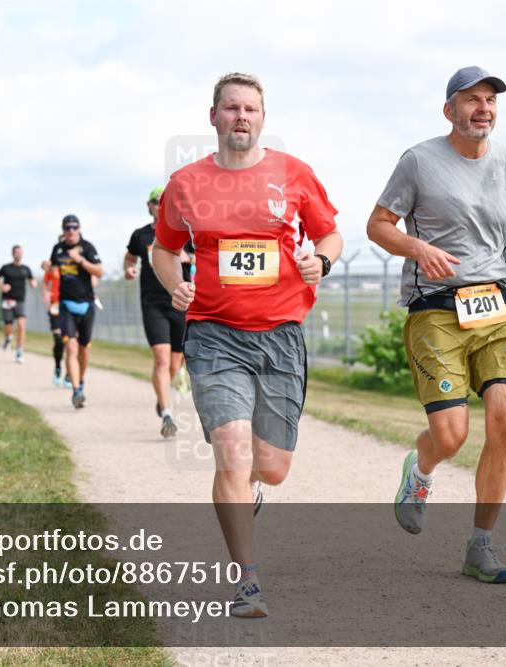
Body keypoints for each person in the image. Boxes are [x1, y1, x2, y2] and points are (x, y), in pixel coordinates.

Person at [151, 72, 342, 617]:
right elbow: (164, 250)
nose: (241, 116)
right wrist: (175, 284)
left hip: (281, 335)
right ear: (213, 116)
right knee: (230, 451)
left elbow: (330, 233)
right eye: (231, 107)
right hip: (214, 334)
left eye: (251, 109)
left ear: (263, 118)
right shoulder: (185, 183)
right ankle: (247, 580)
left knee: (272, 466)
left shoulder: (294, 174)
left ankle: (253, 490)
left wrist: (320, 259)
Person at [367, 66, 506, 584]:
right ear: (449, 109)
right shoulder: (419, 161)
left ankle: (481, 545)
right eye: (471, 99)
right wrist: (418, 247)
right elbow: (378, 225)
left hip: (494, 307)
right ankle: (422, 469)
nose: (483, 108)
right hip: (435, 308)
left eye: (490, 100)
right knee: (451, 436)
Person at [124, 186, 195, 438]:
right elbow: (130, 258)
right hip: (152, 302)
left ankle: (162, 395)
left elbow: (207, 256)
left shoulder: (184, 233)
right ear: (149, 206)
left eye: (164, 202)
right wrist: (129, 269)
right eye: (156, 201)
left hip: (180, 302)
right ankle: (167, 413)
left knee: (176, 363)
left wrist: (189, 258)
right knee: (162, 359)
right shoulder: (141, 235)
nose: (159, 206)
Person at [50, 215, 103, 408]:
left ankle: (80, 381)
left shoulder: (88, 248)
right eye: (67, 228)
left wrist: (80, 260)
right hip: (66, 305)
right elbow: (54, 269)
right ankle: (76, 391)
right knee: (71, 348)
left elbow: (99, 272)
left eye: (74, 228)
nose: (71, 231)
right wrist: (48, 269)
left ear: (79, 229)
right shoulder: (58, 249)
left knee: (83, 350)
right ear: (63, 230)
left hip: (87, 304)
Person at [0, 245, 38, 364]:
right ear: (12, 254)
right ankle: (8, 338)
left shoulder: (26, 268)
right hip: (7, 300)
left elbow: (32, 279)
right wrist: (2, 286)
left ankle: (19, 351)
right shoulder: (6, 267)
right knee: (8, 325)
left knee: (22, 326)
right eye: (16, 252)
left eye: (20, 252)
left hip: (20, 300)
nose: (18, 254)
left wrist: (34, 283)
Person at [41, 259, 66, 386]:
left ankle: (69, 375)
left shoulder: (77, 260)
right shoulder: (54, 263)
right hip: (55, 306)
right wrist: (46, 294)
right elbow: (45, 282)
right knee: (59, 340)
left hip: (71, 305)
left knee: (71, 341)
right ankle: (57, 367)